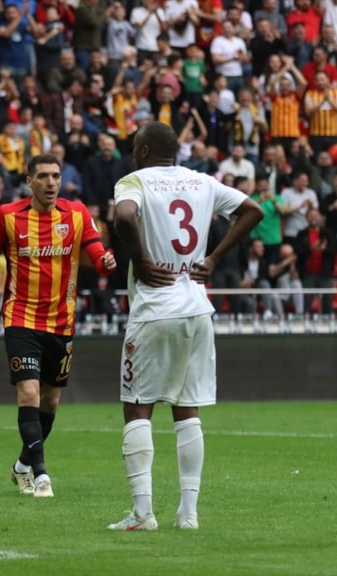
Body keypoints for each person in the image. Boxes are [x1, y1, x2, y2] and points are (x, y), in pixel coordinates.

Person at [109, 122, 263, 531]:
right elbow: (254, 210)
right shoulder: (202, 181)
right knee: (186, 407)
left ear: (144, 151)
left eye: (134, 145)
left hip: (155, 309)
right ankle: (188, 514)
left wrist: (140, 260)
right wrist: (213, 259)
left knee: (137, 406)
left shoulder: (134, 181)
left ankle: (143, 513)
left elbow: (124, 217)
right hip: (196, 307)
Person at [0, 154, 117, 498]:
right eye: (43, 176)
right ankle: (41, 475)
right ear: (29, 181)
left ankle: (22, 466)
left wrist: (106, 262)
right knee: (29, 393)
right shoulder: (7, 216)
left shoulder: (77, 214)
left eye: (55, 175)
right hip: (21, 317)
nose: (51, 182)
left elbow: (98, 258)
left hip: (61, 321)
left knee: (50, 403)